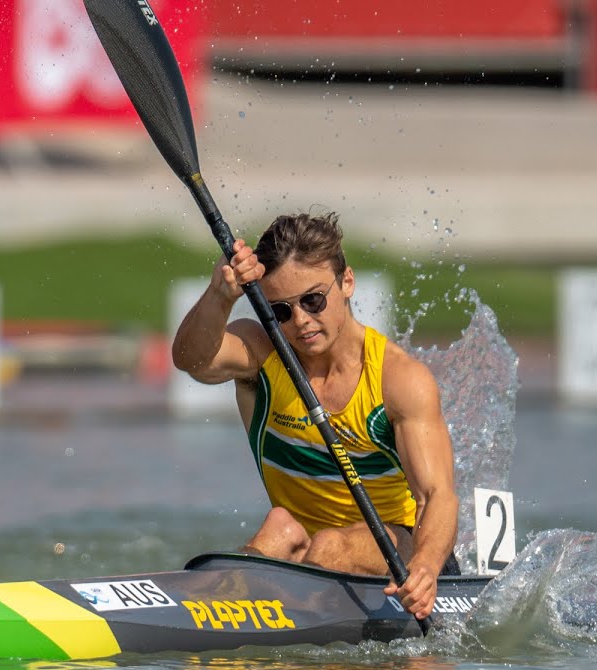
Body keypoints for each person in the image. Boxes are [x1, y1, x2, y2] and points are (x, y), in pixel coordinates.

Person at [170, 211, 460, 621]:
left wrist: (427, 568)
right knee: (277, 530)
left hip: (400, 554)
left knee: (329, 546)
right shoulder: (263, 354)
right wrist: (220, 295)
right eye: (282, 311)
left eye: (313, 300)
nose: (301, 321)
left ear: (347, 283)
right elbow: (190, 361)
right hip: (300, 551)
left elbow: (437, 495)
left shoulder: (399, 380)